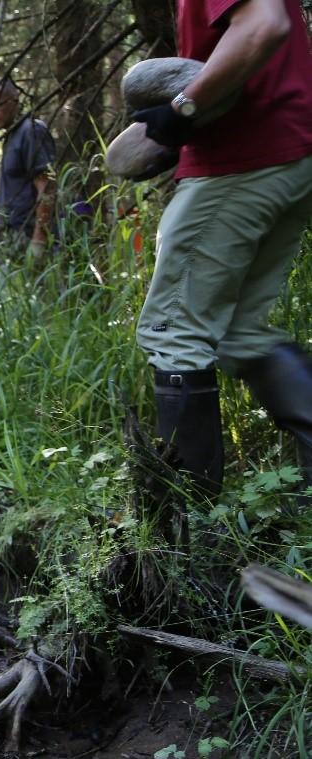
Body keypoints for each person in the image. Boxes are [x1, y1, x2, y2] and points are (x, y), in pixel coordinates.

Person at [129, 0, 312, 503]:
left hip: (242, 161)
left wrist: (183, 108)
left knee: (175, 332)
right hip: (286, 153)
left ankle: (190, 541)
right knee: (239, 334)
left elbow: (263, 23)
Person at [0, 77, 56, 258]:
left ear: (14, 102)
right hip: (8, 238)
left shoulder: (31, 131)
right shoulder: (11, 137)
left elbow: (47, 187)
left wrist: (39, 239)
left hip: (26, 236)